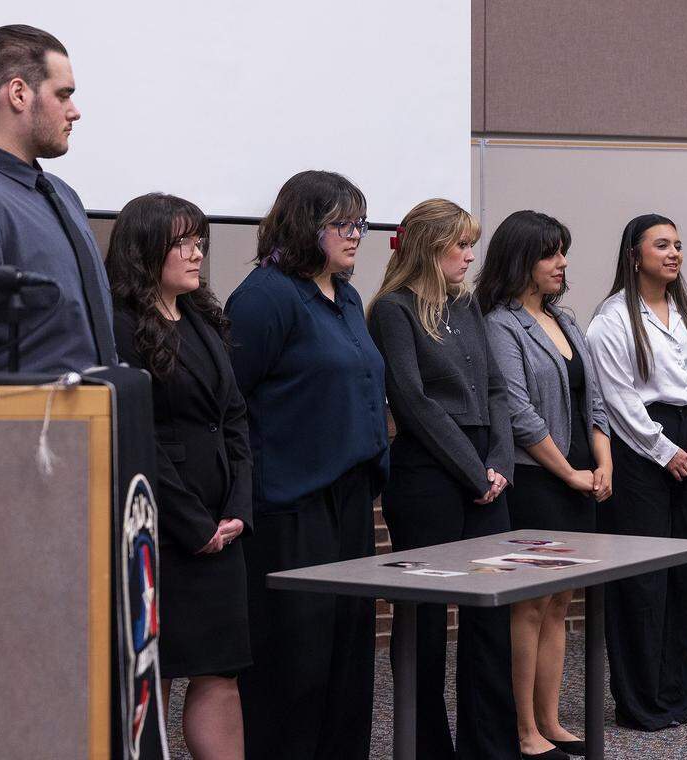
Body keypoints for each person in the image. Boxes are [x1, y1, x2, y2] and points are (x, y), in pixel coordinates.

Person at [226, 171, 388, 759]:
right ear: (304, 226)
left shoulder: (346, 297)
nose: (356, 234)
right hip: (290, 505)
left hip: (349, 499)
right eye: (342, 224)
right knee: (296, 659)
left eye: (359, 223)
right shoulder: (264, 298)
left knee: (347, 652)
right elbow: (231, 404)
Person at [367, 198, 518, 760]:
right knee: (424, 620)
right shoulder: (393, 309)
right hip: (428, 472)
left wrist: (498, 462)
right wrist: (475, 471)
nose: (470, 256)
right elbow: (412, 400)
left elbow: (497, 389)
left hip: (485, 467)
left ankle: (492, 748)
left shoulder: (467, 304)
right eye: (461, 244)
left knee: (490, 613)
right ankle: (427, 747)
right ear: (430, 247)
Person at [106, 193, 251, 760]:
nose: (197, 254)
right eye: (183, 243)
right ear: (145, 250)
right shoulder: (119, 326)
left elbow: (234, 417)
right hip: (163, 534)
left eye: (200, 242)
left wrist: (237, 507)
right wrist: (194, 525)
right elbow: (138, 435)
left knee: (221, 671)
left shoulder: (201, 317)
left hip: (222, 527)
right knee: (157, 673)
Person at [478, 210, 612, 759]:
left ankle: (551, 722)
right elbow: (519, 414)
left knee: (560, 603)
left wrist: (603, 462)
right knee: (530, 605)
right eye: (550, 254)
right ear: (520, 260)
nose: (562, 263)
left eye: (563, 252)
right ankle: (524, 729)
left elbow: (595, 399)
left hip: (581, 476)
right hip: (539, 479)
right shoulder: (500, 324)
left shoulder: (566, 319)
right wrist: (571, 473)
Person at [0, 24, 116, 421]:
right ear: (18, 93)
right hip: (24, 449)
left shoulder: (62, 194)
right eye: (63, 94)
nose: (74, 111)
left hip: (92, 438)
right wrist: (8, 447)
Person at [585, 213, 687, 730]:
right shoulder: (611, 319)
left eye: (678, 245)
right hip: (641, 450)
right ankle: (640, 702)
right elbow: (618, 399)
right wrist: (665, 451)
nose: (674, 254)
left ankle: (674, 696)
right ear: (634, 255)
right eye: (662, 245)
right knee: (643, 581)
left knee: (685, 575)